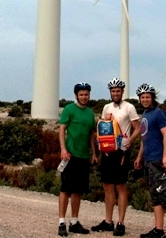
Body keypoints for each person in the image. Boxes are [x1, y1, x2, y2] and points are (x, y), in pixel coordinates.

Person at [92, 78, 140, 236]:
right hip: (107, 151)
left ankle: (121, 222)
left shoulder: (129, 107)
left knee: (120, 186)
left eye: (118, 91)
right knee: (107, 185)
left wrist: (130, 142)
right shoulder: (106, 107)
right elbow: (105, 126)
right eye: (113, 91)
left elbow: (137, 128)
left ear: (122, 92)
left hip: (121, 152)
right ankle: (108, 221)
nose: (115, 93)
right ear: (110, 92)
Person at [57, 82, 98, 236]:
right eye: (81, 94)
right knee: (65, 189)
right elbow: (62, 129)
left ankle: (74, 221)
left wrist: (94, 153)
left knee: (78, 191)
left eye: (86, 94)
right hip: (70, 155)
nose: (84, 97)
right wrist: (63, 149)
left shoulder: (90, 113)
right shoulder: (69, 109)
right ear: (76, 95)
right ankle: (61, 222)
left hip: (84, 156)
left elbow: (91, 135)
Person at [133, 83, 166, 238]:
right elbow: (144, 138)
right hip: (148, 159)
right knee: (153, 194)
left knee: (159, 194)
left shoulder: (158, 113)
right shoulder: (145, 115)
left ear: (153, 98)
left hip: (158, 159)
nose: (145, 99)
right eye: (142, 97)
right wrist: (139, 156)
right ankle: (157, 229)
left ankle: (159, 231)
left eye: (148, 97)